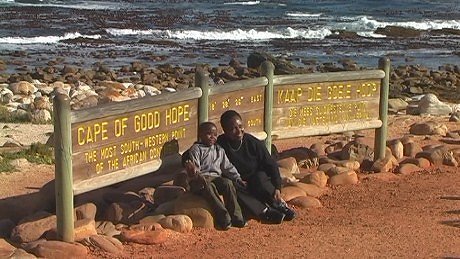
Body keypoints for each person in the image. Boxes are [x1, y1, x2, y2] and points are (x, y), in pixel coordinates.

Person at [217, 110, 296, 224]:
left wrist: (277, 187)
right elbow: (198, 149)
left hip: (257, 180)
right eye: (233, 129)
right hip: (239, 182)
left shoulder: (251, 142)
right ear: (225, 131)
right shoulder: (221, 144)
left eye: (240, 126)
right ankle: (264, 212)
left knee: (260, 177)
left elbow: (271, 164)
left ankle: (278, 204)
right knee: (233, 186)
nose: (239, 131)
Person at [182, 121, 247, 230]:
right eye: (209, 134)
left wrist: (237, 178)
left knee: (227, 183)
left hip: (216, 178)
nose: (212, 137)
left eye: (215, 135)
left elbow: (227, 167)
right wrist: (195, 173)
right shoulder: (196, 149)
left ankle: (237, 217)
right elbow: (195, 169)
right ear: (201, 135)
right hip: (200, 181)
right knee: (209, 186)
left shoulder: (219, 150)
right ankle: (223, 217)